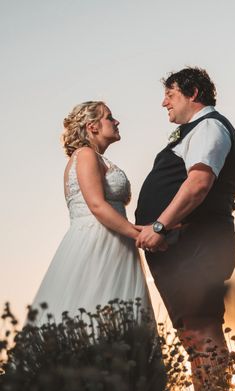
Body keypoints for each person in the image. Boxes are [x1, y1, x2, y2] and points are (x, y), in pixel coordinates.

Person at [135, 67, 235, 391]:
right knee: (192, 333)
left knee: (202, 327)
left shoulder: (209, 127)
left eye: (170, 94)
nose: (164, 103)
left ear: (193, 93)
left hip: (198, 244)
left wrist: (159, 225)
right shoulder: (195, 131)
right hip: (182, 246)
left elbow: (198, 183)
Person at [31, 101, 151, 323]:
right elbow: (96, 205)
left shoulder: (94, 157)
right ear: (92, 126)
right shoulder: (85, 154)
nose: (117, 122)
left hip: (115, 240)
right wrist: (140, 235)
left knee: (114, 314)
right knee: (96, 308)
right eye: (109, 117)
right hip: (99, 242)